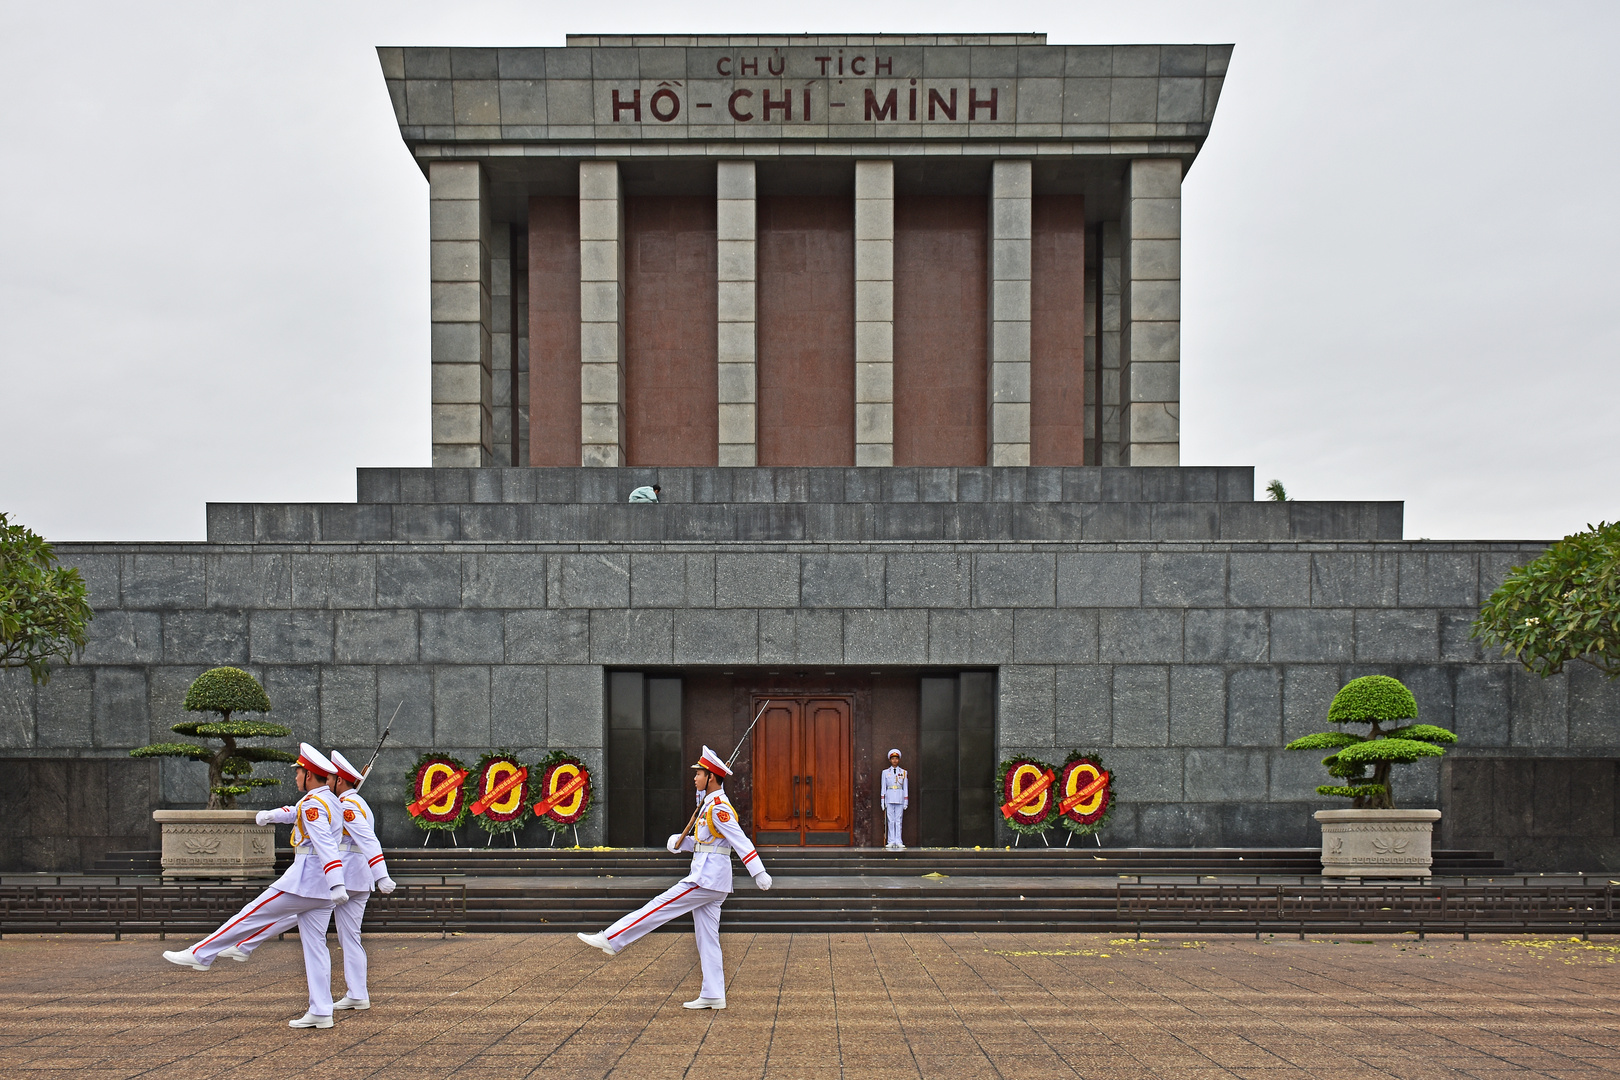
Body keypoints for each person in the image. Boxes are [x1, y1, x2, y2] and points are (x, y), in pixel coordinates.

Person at [161, 743, 348, 1029]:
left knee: (250, 914)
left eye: (298, 772)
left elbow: (323, 843)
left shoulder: (313, 803)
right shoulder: (328, 800)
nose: (295, 777)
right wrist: (269, 815)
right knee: (315, 948)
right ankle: (322, 1011)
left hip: (306, 881)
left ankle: (201, 953)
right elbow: (293, 812)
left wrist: (336, 881)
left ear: (309, 775)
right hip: (322, 889)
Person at [575, 746, 771, 1010]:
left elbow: (738, 840)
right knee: (707, 938)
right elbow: (709, 843)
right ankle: (713, 993)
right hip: (709, 877)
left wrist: (758, 871)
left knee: (659, 906)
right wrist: (681, 843)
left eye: (699, 773)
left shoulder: (718, 807)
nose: (694, 778)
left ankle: (612, 938)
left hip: (706, 879)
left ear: (711, 777)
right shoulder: (708, 805)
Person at [214, 750, 395, 1013]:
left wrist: (382, 875)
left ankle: (245, 945)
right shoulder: (356, 804)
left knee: (297, 911)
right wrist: (271, 815)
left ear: (339, 782)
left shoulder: (345, 806)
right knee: (349, 938)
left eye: (332, 779)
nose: (327, 781)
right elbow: (297, 811)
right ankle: (357, 993)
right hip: (357, 878)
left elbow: (368, 840)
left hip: (344, 877)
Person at [882, 749, 908, 850]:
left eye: (896, 758)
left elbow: (905, 787)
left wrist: (906, 800)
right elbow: (883, 787)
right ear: (890, 760)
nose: (894, 761)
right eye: (893, 759)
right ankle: (891, 840)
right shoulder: (885, 773)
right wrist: (882, 801)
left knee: (898, 820)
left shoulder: (903, 772)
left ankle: (898, 840)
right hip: (889, 797)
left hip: (900, 798)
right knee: (890, 820)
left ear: (899, 760)